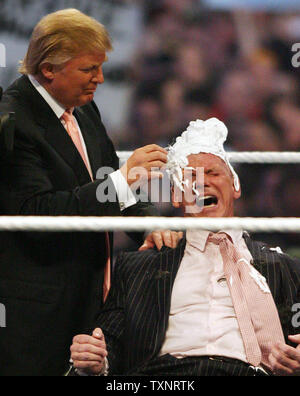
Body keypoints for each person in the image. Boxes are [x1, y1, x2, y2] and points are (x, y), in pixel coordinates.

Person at [0, 9, 181, 376]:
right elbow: (37, 214)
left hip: (91, 297)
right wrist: (120, 180)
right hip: (37, 312)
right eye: (88, 69)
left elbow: (109, 180)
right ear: (49, 69)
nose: (99, 78)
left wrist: (148, 224)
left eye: (100, 67)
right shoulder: (13, 121)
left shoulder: (83, 110)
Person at [71, 118, 300, 376]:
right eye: (191, 177)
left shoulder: (285, 267)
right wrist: (96, 360)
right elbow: (108, 343)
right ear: (176, 195)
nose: (202, 183)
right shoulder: (140, 266)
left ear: (235, 186)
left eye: (213, 173)